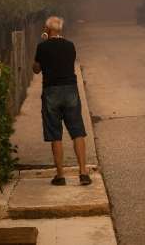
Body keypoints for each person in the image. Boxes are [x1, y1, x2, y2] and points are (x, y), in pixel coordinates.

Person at [32, 16, 92, 186]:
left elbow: (36, 69)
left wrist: (43, 40)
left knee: (55, 133)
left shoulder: (42, 47)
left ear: (47, 28)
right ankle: (83, 172)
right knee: (77, 131)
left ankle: (60, 175)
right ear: (60, 29)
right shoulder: (70, 45)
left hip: (51, 91)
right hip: (70, 90)